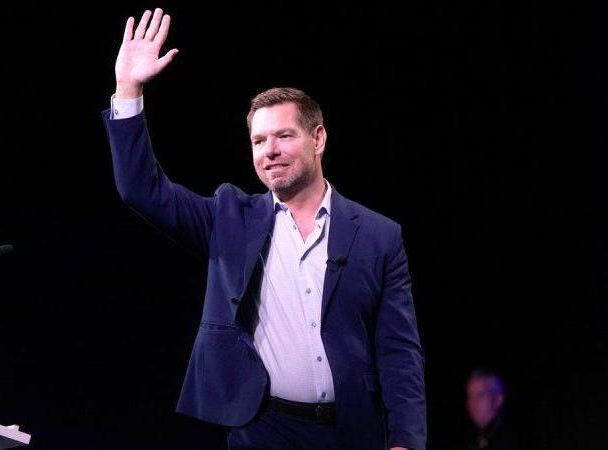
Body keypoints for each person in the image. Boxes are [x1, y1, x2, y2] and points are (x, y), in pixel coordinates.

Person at [101, 8, 426, 450]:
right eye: (258, 141)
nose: (269, 150)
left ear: (318, 139)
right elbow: (142, 190)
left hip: (353, 433)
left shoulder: (379, 235)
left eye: (284, 136)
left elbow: (400, 351)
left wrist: (405, 441)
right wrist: (128, 90)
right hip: (263, 430)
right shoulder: (229, 218)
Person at [462, 368, 527, 450]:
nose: (473, 402)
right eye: (470, 396)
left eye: (480, 395)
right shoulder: (476, 439)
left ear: (498, 399)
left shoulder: (511, 441)